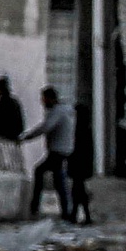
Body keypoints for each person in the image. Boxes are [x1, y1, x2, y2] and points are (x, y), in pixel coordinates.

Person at [22, 87, 77, 220]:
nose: (42, 102)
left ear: (50, 98)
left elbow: (45, 127)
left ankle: (35, 207)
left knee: (40, 171)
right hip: (64, 149)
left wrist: (27, 136)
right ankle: (66, 211)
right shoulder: (65, 110)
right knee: (59, 180)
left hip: (58, 150)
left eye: (44, 99)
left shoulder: (57, 112)